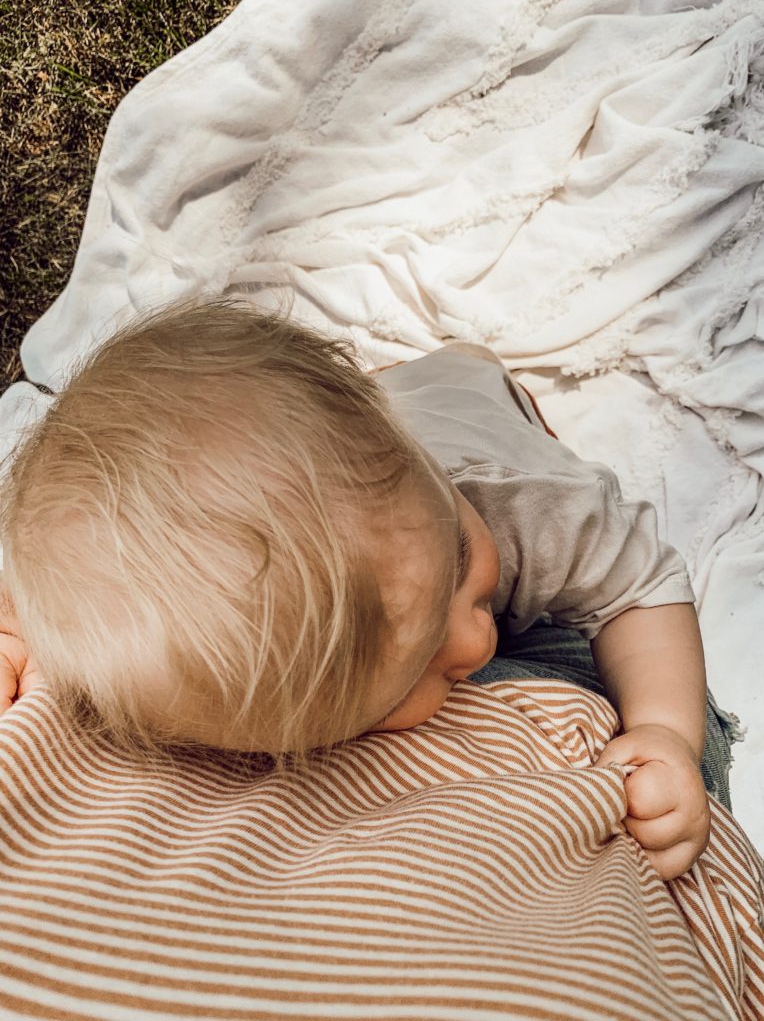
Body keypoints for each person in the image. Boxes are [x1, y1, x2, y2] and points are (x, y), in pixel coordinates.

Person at [0, 299, 714, 881]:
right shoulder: (101, 589)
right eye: (411, 678)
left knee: (466, 376)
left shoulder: (527, 509)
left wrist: (666, 729)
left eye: (461, 559)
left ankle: (457, 373)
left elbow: (641, 584)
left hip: (477, 415)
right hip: (396, 412)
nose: (475, 640)